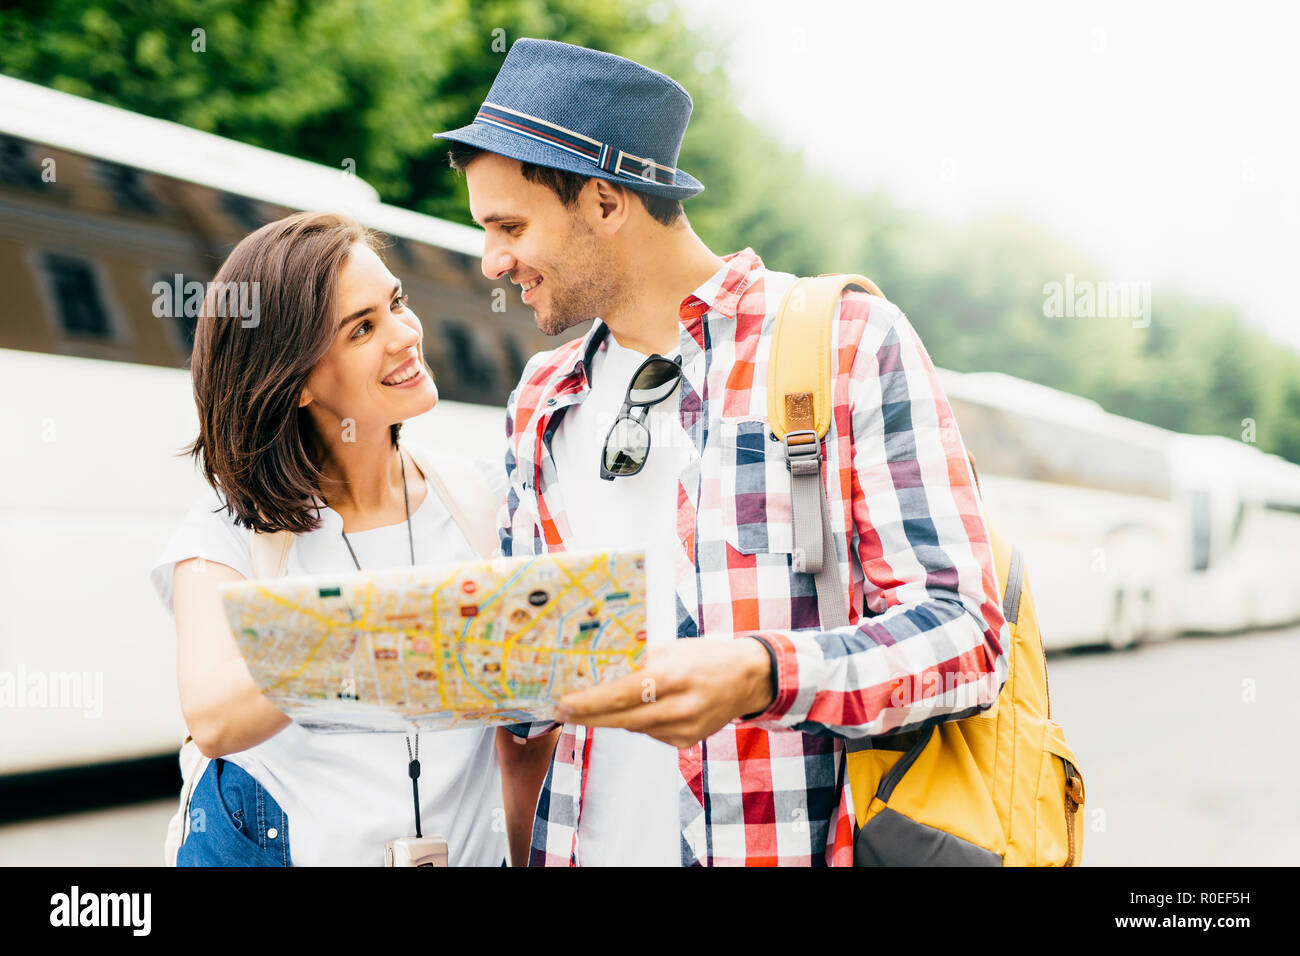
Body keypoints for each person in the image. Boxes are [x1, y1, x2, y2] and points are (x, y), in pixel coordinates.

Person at [434, 38, 1011, 866]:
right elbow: (530, 700)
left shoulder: (847, 341)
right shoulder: (539, 394)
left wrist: (762, 672)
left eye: (510, 226)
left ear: (605, 202)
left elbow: (967, 637)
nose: (492, 260)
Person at [148, 211, 554, 866]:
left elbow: (522, 743)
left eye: (395, 303)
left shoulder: (487, 502)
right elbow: (215, 718)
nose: (404, 335)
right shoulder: (229, 532)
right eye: (362, 328)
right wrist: (400, 631)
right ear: (301, 379)